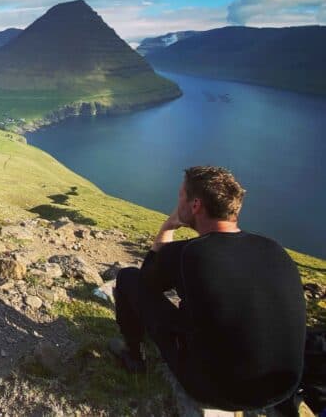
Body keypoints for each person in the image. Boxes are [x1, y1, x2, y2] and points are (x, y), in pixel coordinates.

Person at [110, 166, 306, 411]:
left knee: (129, 277)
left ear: (195, 205)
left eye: (181, 195)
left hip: (221, 392)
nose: (177, 200)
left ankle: (134, 356)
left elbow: (147, 280)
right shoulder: (274, 248)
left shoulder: (189, 253)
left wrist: (169, 226)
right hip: (284, 387)